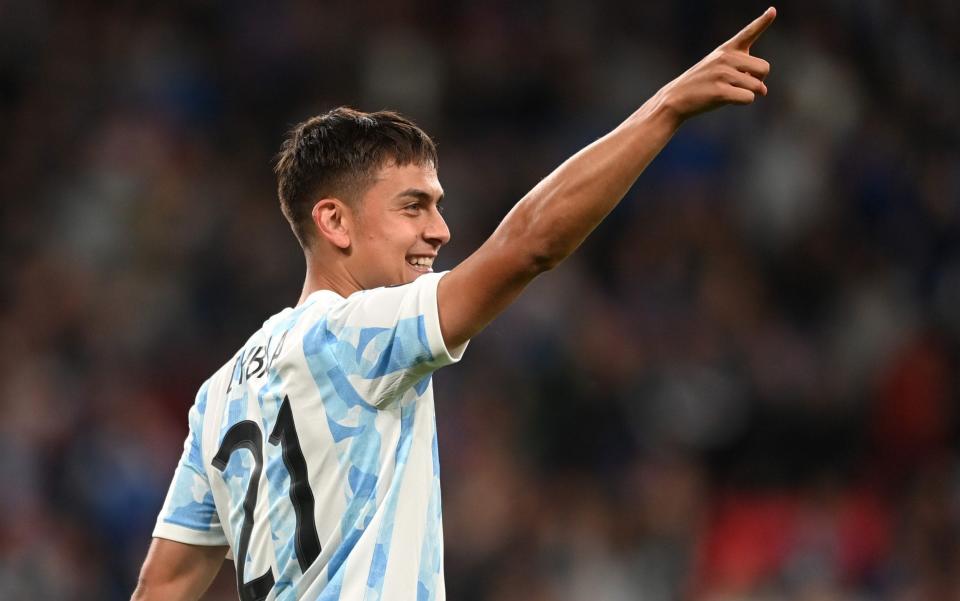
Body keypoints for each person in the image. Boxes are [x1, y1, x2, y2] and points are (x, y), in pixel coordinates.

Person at [132, 8, 776, 600]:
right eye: (414, 206)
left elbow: (162, 589)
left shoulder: (219, 396)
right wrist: (664, 110)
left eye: (437, 204)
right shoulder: (357, 333)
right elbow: (529, 246)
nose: (440, 231)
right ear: (334, 222)